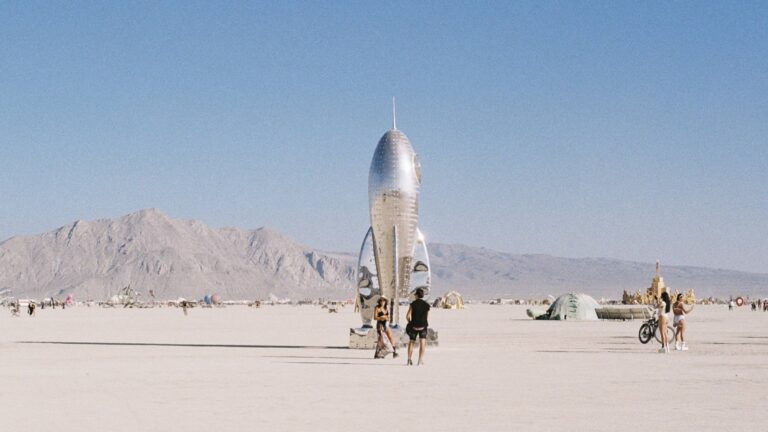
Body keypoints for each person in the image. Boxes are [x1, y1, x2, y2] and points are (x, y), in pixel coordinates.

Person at [406, 288, 431, 365]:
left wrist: (410, 322)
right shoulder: (427, 305)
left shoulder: (412, 304)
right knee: (422, 342)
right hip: (423, 326)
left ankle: (409, 359)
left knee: (411, 342)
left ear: (416, 295)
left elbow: (407, 316)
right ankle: (420, 360)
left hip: (414, 326)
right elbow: (427, 317)